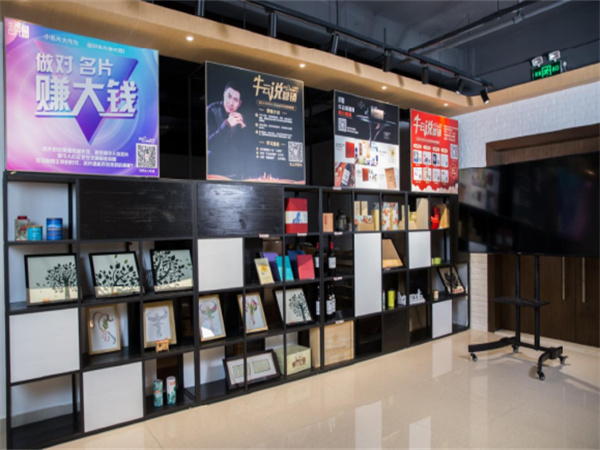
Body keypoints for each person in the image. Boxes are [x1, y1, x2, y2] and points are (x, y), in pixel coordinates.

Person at [206, 81, 247, 179]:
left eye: (235, 100)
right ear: (224, 94)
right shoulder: (211, 110)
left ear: (239, 103)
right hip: (214, 165)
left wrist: (243, 129)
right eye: (229, 96)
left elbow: (245, 149)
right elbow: (209, 144)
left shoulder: (240, 116)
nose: (231, 103)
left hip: (233, 167)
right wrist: (227, 124)